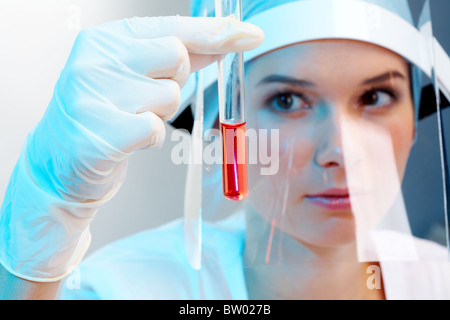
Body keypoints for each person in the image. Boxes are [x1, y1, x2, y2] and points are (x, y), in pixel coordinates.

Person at [1, 0, 449, 300]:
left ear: (414, 117)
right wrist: (44, 204)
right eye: (288, 100)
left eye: (374, 98)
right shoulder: (129, 287)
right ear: (220, 127)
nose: (340, 151)